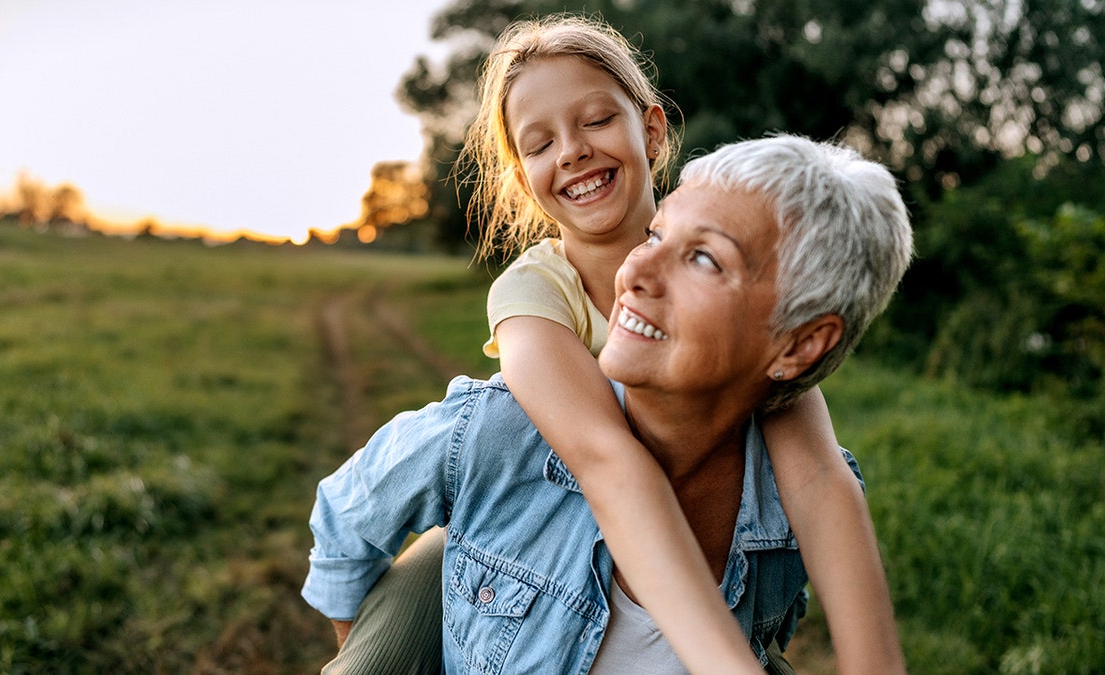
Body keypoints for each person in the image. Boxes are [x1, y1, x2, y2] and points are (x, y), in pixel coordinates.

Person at [317, 15, 904, 674]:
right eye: (540, 142)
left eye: (596, 120)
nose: (571, 150)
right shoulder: (533, 295)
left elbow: (821, 479)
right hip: (526, 523)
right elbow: (606, 462)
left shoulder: (732, 277)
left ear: (651, 129)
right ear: (523, 172)